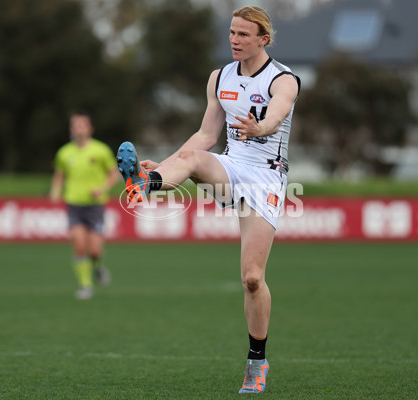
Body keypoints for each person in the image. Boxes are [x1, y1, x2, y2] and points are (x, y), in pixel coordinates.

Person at [117, 6, 299, 394]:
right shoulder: (220, 77)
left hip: (266, 176)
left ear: (263, 39)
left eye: (244, 35)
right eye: (232, 32)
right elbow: (204, 135)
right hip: (231, 167)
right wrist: (167, 164)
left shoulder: (283, 79)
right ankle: (145, 182)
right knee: (193, 158)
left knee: (252, 278)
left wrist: (260, 126)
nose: (234, 39)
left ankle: (257, 360)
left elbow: (277, 115)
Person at [50, 110, 120, 300]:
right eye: (75, 125)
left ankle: (98, 267)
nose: (79, 128)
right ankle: (85, 286)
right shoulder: (64, 152)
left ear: (90, 128)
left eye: (83, 125)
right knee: (79, 246)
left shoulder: (101, 150)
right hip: (74, 204)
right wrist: (55, 191)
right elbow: (59, 174)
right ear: (71, 129)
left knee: (95, 251)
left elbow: (115, 173)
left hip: (95, 206)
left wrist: (102, 188)